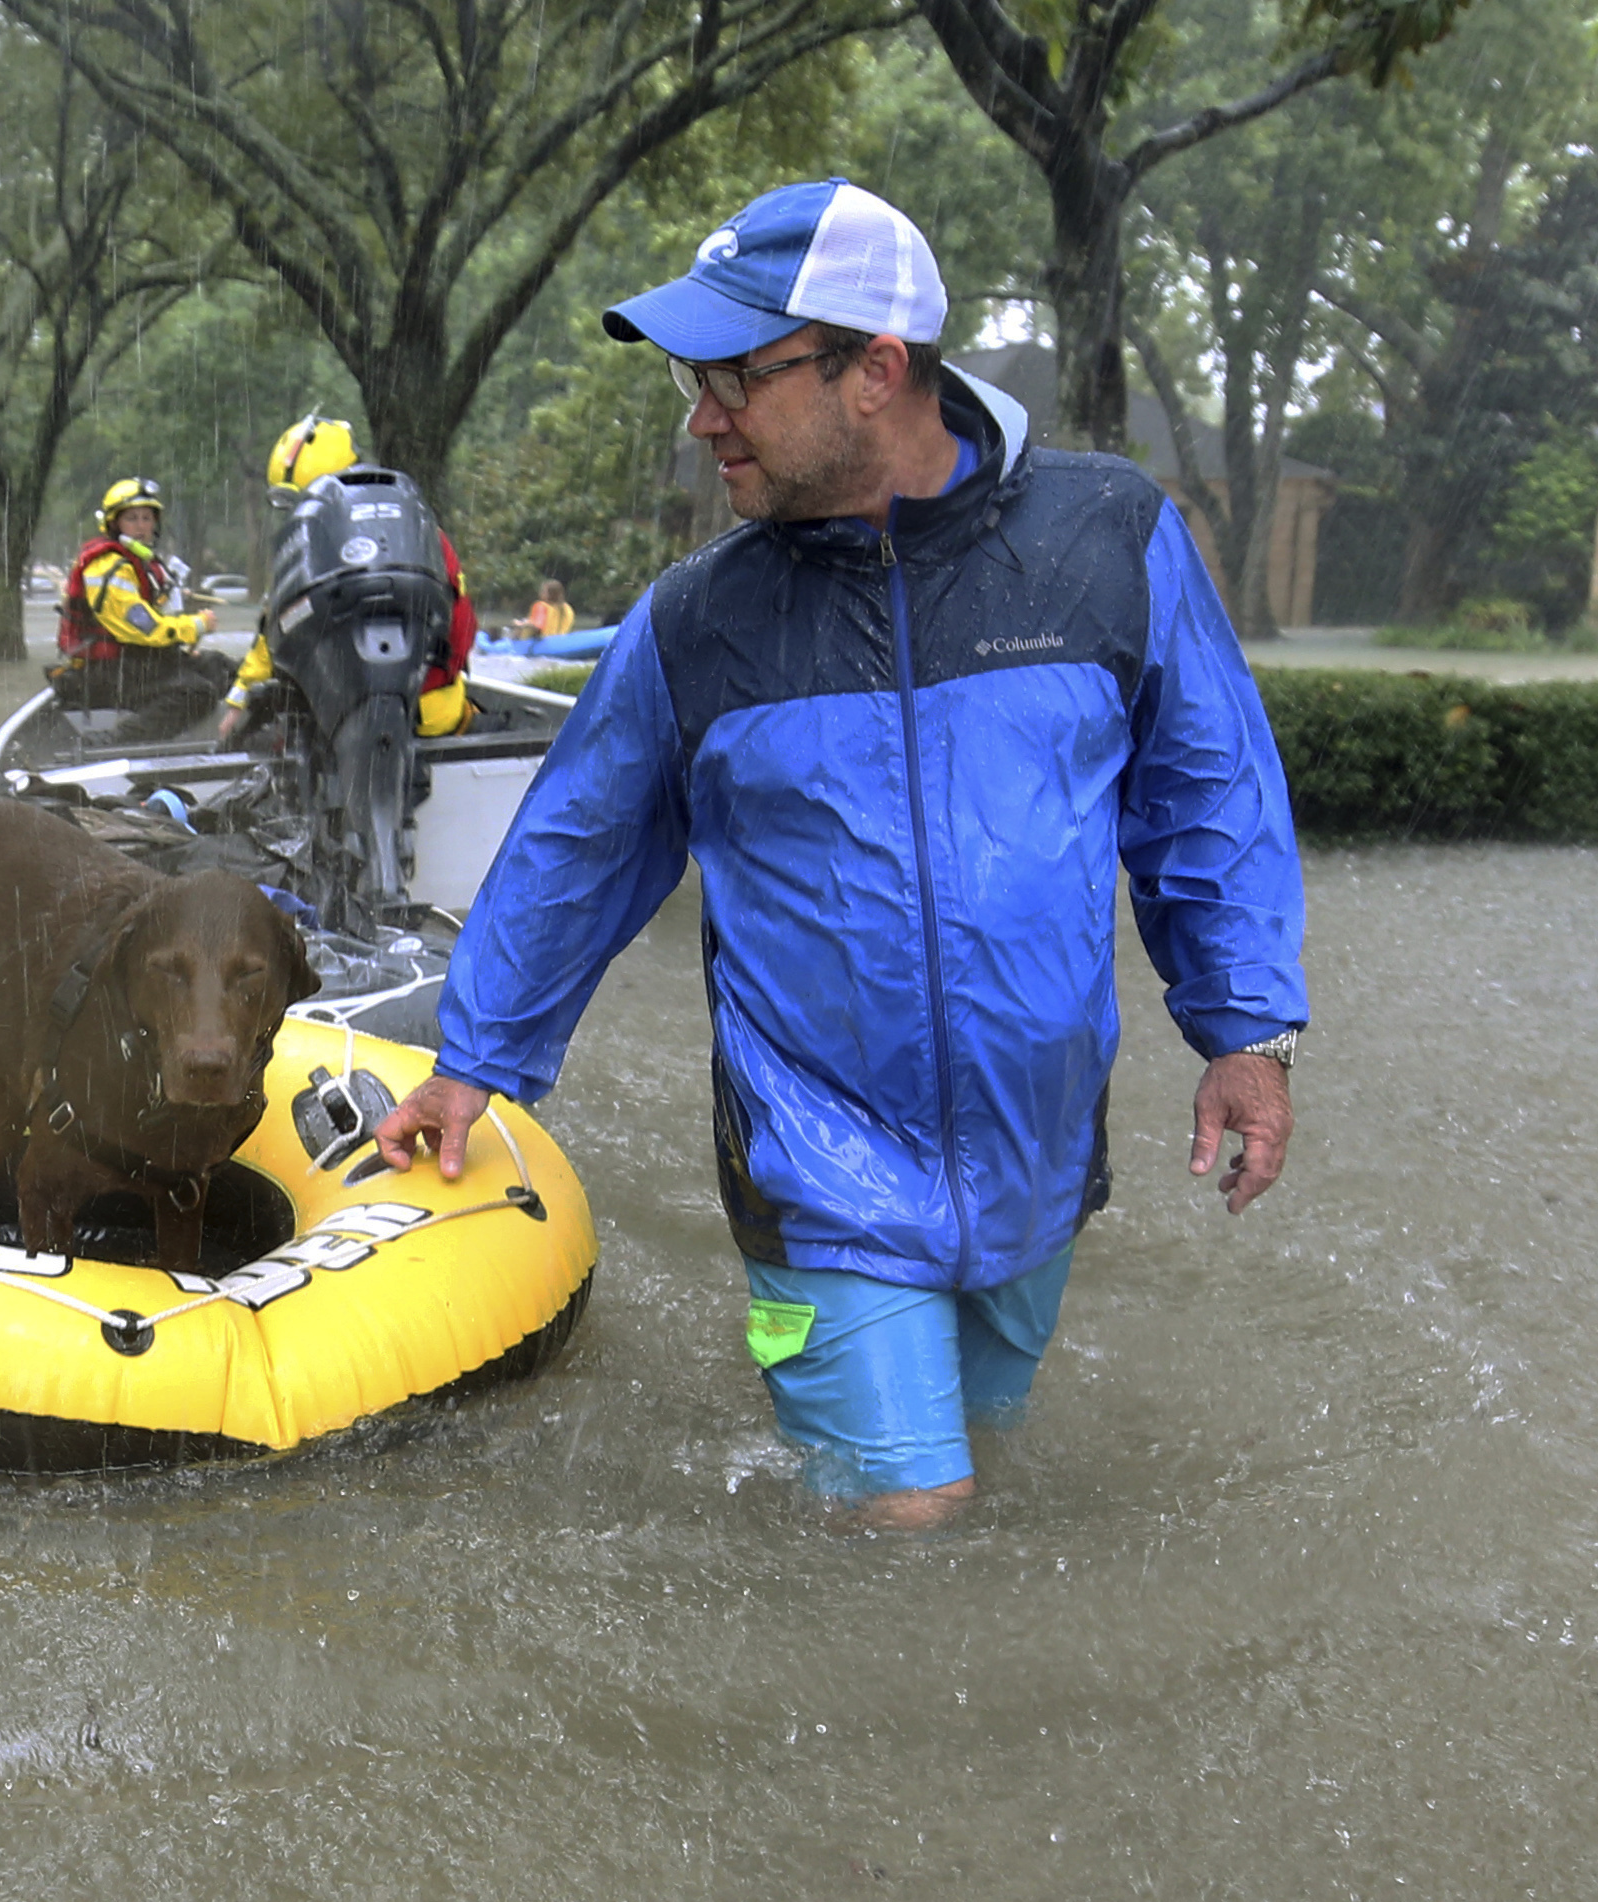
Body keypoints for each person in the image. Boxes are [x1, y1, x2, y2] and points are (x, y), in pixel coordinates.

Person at [370, 178, 1307, 1528]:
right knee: (908, 1521)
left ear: (875, 369)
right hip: (815, 1165)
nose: (702, 419)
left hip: (1035, 1157)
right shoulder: (699, 621)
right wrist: (476, 1062)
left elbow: (1205, 788)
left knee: (986, 1478)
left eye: (734, 378)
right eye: (694, 382)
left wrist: (1248, 1031)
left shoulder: (1111, 541)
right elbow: (579, 841)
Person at [213, 413, 477, 743]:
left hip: (344, 727)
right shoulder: (420, 534)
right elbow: (463, 628)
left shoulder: (314, 552)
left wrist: (241, 702)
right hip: (435, 719)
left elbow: (278, 632)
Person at [53, 476, 228, 736]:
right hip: (106, 671)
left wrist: (180, 636)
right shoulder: (108, 566)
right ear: (114, 524)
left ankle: (241, 740)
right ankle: (114, 743)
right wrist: (194, 626)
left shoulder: (138, 562)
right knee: (196, 693)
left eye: (147, 518)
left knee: (220, 667)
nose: (141, 526)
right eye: (132, 519)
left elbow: (156, 613)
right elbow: (140, 628)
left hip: (135, 662)